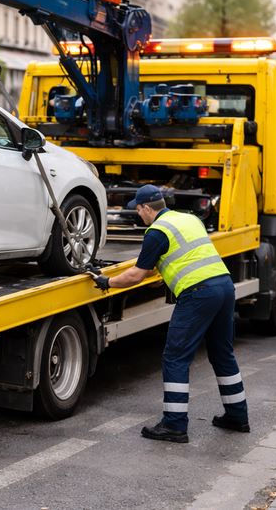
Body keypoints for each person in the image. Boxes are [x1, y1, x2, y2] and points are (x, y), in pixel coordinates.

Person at [91, 185, 247, 443]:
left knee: (175, 357)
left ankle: (174, 425)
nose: (138, 215)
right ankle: (237, 416)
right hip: (224, 286)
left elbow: (137, 275)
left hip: (198, 293)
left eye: (138, 210)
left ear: (146, 208)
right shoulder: (189, 219)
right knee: (223, 354)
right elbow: (171, 261)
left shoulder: (156, 232)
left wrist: (107, 282)